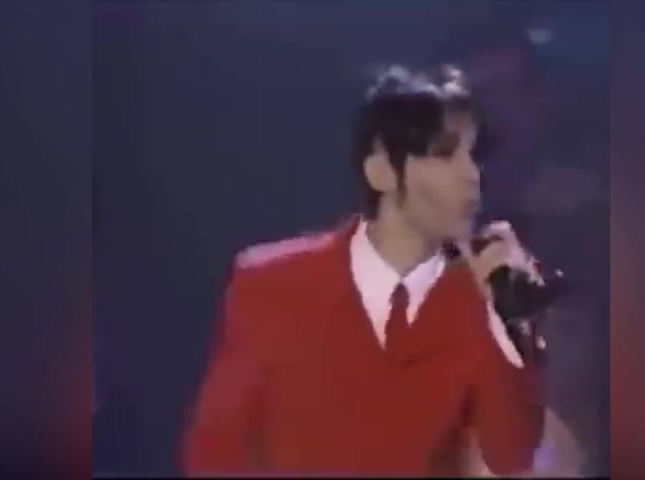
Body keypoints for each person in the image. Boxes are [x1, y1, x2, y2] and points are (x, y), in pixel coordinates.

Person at [182, 65, 549, 476]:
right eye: (445, 153)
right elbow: (215, 453)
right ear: (381, 170)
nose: (471, 176)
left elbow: (510, 455)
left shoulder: (477, 298)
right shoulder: (272, 284)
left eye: (474, 155)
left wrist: (507, 320)